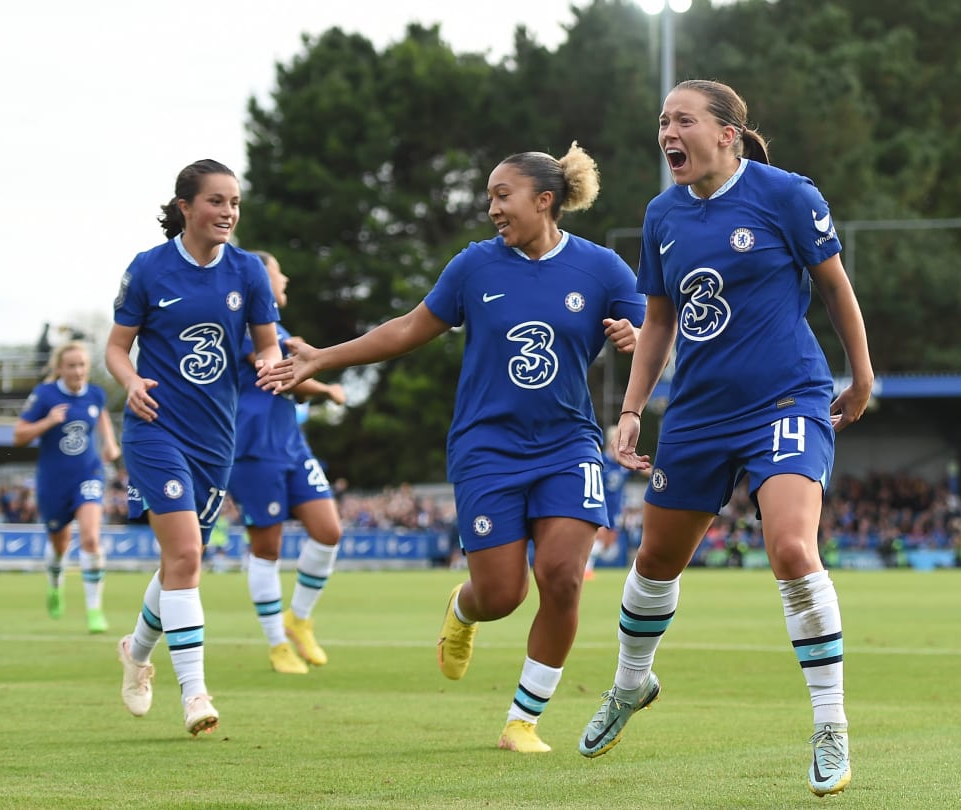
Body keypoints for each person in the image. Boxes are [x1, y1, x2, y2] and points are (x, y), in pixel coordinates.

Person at [260, 143, 643, 753]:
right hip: (486, 447)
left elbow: (660, 338)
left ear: (544, 201)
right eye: (489, 196)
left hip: (568, 444)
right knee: (503, 594)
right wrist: (324, 356)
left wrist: (638, 334)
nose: (490, 208)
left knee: (563, 577)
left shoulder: (602, 270)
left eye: (501, 195)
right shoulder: (474, 268)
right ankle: (463, 611)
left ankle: (523, 720)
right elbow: (408, 328)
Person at [572, 80, 871, 799]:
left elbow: (834, 287)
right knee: (654, 562)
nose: (667, 133)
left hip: (786, 399)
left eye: (683, 120)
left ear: (727, 133)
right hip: (699, 414)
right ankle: (629, 686)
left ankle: (830, 727)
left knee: (794, 550)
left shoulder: (787, 195)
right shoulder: (661, 215)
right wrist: (634, 409)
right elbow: (660, 320)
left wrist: (861, 376)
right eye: (662, 123)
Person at [107, 158, 280, 737]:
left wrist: (272, 367)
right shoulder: (149, 269)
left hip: (216, 439)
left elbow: (267, 348)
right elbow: (115, 348)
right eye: (216, 201)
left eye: (234, 202)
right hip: (155, 429)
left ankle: (136, 650)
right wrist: (130, 383)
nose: (228, 212)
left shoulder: (249, 272)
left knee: (179, 560)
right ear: (186, 207)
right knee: (185, 557)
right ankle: (195, 694)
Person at [230, 250, 348, 675]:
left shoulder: (279, 329)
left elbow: (290, 373)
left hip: (291, 446)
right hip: (254, 448)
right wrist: (328, 388)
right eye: (280, 273)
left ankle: (298, 618)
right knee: (267, 549)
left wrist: (311, 372)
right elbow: (275, 367)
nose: (287, 280)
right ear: (262, 280)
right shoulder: (246, 324)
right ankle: (277, 644)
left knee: (329, 531)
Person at [13, 341, 121, 632]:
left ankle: (94, 610)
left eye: (82, 365)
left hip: (88, 474)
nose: (78, 371)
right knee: (60, 544)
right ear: (60, 368)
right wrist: (47, 422)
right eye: (72, 365)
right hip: (52, 481)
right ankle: (55, 582)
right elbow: (19, 435)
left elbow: (101, 416)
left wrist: (109, 443)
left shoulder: (96, 394)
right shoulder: (45, 395)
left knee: (90, 538)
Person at [586, 426, 637, 580]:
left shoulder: (623, 463)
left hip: (616, 510)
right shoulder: (600, 460)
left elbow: (643, 469)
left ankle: (585, 564)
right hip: (600, 506)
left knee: (608, 543)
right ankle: (585, 568)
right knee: (598, 537)